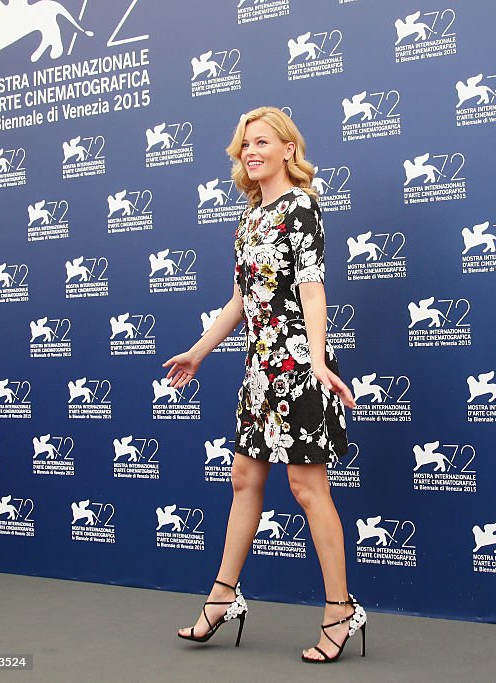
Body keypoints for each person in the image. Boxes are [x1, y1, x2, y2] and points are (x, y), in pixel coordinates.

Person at [163, 106, 364, 663]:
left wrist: (319, 362)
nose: (250, 152)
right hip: (259, 371)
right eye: (244, 144)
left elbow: (313, 288)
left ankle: (340, 611)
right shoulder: (248, 220)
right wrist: (199, 353)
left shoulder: (302, 208)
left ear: (287, 150)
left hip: (298, 366)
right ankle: (223, 597)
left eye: (262, 142)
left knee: (307, 489)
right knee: (244, 479)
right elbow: (238, 303)